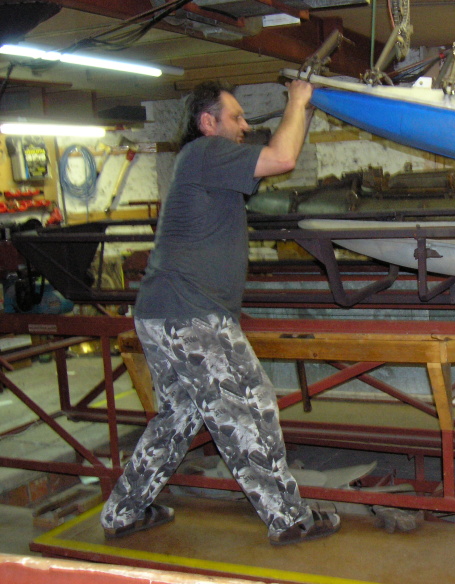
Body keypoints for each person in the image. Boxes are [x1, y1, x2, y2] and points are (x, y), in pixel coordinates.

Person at [100, 80, 341, 546]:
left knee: (177, 420)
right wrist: (296, 100)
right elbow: (282, 158)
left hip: (164, 312)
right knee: (251, 403)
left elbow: (282, 151)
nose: (244, 125)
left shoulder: (209, 164)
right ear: (208, 122)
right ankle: (289, 518)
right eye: (236, 117)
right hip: (191, 313)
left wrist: (305, 109)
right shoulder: (206, 152)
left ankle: (123, 513)